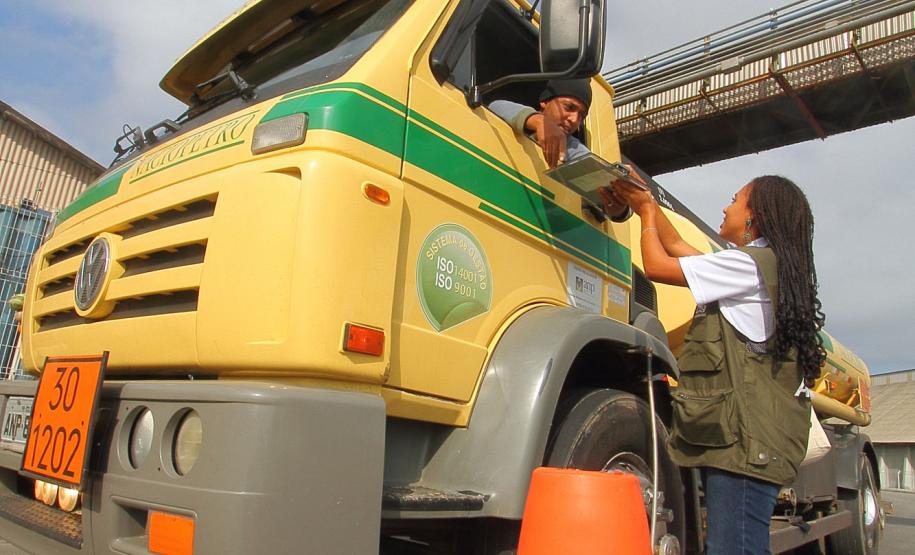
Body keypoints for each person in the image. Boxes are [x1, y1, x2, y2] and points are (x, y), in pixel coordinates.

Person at [612, 175, 826, 555]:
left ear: (753, 217)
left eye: (735, 199)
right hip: (753, 442)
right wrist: (648, 200)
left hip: (745, 446)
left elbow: (659, 265)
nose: (726, 207)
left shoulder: (747, 265)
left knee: (733, 548)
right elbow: (676, 245)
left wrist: (644, 212)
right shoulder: (757, 265)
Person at [489, 79, 630, 221]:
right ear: (544, 102)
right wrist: (538, 122)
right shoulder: (515, 115)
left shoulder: (572, 148)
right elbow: (495, 106)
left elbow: (599, 176)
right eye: (569, 107)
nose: (574, 119)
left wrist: (620, 207)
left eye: (581, 115)